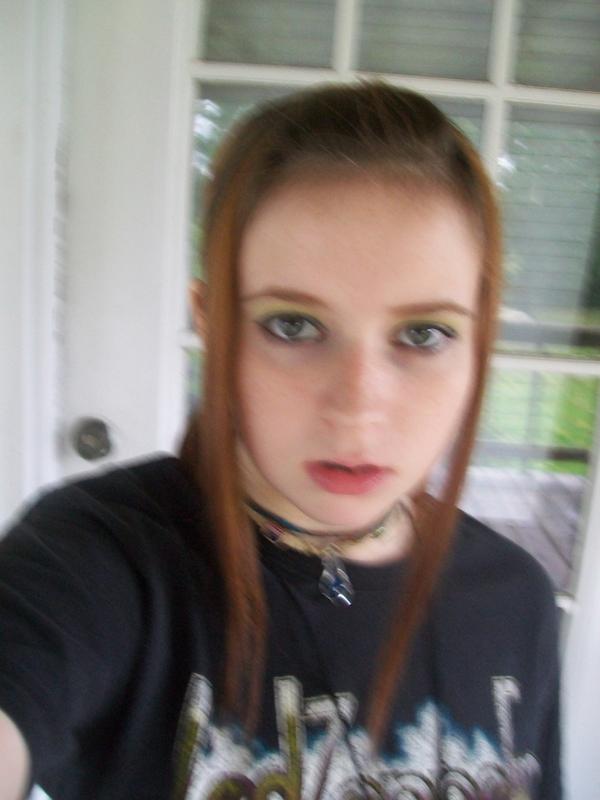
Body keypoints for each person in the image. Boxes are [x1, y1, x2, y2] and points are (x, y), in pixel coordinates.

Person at [0, 82, 561, 799]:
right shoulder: (101, 562)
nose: (358, 410)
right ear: (211, 321)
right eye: (292, 325)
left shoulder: (516, 598)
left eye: (424, 334)